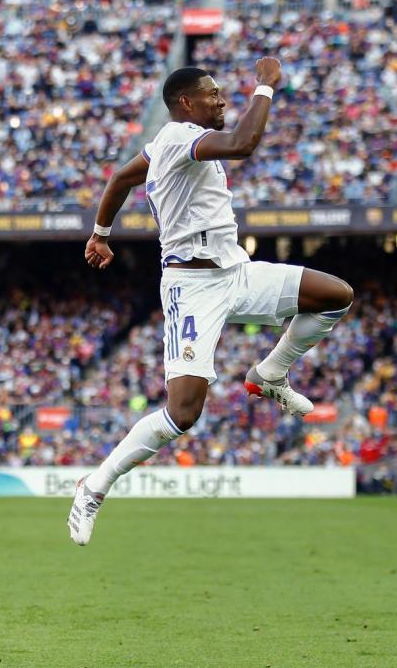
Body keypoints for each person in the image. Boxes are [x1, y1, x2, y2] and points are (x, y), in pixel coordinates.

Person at [69, 62, 354, 545]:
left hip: (235, 272)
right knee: (183, 413)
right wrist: (266, 85)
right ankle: (94, 486)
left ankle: (270, 374)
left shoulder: (165, 145)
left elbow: (120, 178)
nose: (222, 100)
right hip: (193, 286)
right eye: (212, 94)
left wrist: (100, 234)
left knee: (335, 296)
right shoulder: (182, 137)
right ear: (186, 103)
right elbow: (244, 144)